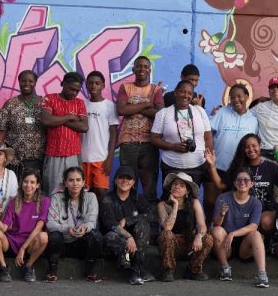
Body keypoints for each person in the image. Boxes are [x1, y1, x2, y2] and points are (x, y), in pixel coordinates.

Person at [206, 133, 278, 235]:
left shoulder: (271, 167)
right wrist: (212, 166)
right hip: (243, 209)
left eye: (254, 146)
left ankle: (265, 241)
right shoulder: (239, 167)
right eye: (247, 147)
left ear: (260, 146)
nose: (251, 149)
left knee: (266, 221)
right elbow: (220, 185)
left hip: (265, 209)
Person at [116, 55, 164, 202]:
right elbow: (121, 110)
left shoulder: (156, 90)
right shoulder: (125, 87)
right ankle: (129, 214)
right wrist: (146, 104)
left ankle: (149, 215)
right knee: (128, 185)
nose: (142, 69)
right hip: (128, 142)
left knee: (149, 187)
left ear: (150, 70)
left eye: (145, 66)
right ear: (133, 69)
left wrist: (133, 107)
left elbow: (159, 114)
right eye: (139, 66)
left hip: (149, 143)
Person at [206, 83, 258, 217]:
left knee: (229, 205)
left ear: (247, 96)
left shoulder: (253, 120)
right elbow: (207, 131)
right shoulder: (222, 113)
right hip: (218, 165)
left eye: (239, 96)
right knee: (210, 201)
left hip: (238, 169)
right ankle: (207, 226)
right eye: (232, 97)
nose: (236, 100)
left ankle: (223, 228)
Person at [0, 168, 50, 283]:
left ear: (37, 185)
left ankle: (28, 266)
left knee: (44, 237)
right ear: (21, 183)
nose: (28, 185)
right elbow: (4, 228)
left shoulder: (44, 201)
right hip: (11, 242)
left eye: (32, 182)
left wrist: (23, 248)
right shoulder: (13, 201)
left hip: (30, 244)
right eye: (25, 181)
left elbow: (39, 228)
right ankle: (4, 268)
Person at [210, 169, 268, 288]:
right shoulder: (223, 198)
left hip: (244, 245)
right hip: (225, 245)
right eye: (239, 180)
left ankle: (262, 274)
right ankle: (225, 268)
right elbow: (216, 224)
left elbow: (253, 226)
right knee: (216, 231)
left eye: (246, 180)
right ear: (234, 183)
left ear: (252, 183)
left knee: (256, 234)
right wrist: (221, 214)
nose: (242, 182)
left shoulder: (256, 203)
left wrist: (233, 234)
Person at [100, 166, 156, 285]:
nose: (125, 180)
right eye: (121, 177)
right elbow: (110, 223)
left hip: (136, 242)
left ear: (133, 182)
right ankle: (137, 269)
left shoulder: (138, 198)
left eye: (129, 178)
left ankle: (135, 269)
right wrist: (128, 237)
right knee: (111, 236)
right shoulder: (107, 199)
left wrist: (129, 220)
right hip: (115, 241)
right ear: (115, 180)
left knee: (143, 225)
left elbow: (151, 216)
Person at [150, 80, 213, 187]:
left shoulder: (199, 111)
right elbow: (154, 139)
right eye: (182, 92)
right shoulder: (163, 113)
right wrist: (172, 146)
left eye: (189, 93)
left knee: (193, 196)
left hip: (197, 166)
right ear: (175, 92)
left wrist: (209, 160)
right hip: (171, 166)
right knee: (171, 196)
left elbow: (208, 137)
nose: (186, 96)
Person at [45, 166, 102, 281]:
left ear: (83, 182)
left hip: (81, 243)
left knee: (96, 236)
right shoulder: (56, 197)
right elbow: (50, 223)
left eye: (78, 180)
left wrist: (85, 227)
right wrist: (67, 228)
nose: (75, 183)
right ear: (65, 183)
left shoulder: (91, 197)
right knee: (54, 236)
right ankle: (52, 270)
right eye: (71, 180)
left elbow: (92, 221)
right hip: (62, 243)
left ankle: (89, 270)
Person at [156, 172, 213, 282]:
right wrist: (175, 205)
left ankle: (193, 270)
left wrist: (198, 237)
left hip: (191, 245)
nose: (177, 187)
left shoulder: (194, 203)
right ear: (170, 187)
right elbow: (167, 228)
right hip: (171, 247)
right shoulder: (162, 205)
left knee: (208, 238)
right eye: (175, 184)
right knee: (166, 234)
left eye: (182, 185)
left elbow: (202, 226)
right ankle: (168, 270)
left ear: (187, 191)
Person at [40, 71, 88, 194]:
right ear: (63, 84)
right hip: (54, 153)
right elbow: (46, 120)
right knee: (53, 190)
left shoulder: (79, 103)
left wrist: (58, 119)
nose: (74, 93)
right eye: (71, 89)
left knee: (74, 190)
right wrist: (69, 117)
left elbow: (84, 127)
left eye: (77, 91)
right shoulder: (50, 98)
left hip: (73, 154)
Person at [0, 69, 46, 177]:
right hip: (15, 161)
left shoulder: (45, 103)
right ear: (19, 82)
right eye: (23, 81)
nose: (27, 83)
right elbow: (0, 131)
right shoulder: (10, 104)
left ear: (35, 82)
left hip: (40, 159)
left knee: (36, 186)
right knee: (15, 187)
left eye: (30, 81)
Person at [82, 71, 119, 198]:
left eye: (97, 83)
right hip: (83, 158)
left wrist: (110, 158)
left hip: (101, 158)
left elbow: (113, 133)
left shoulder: (109, 106)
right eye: (91, 83)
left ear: (103, 85)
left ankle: (101, 212)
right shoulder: (82, 104)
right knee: (84, 193)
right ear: (86, 85)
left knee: (101, 192)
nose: (94, 86)